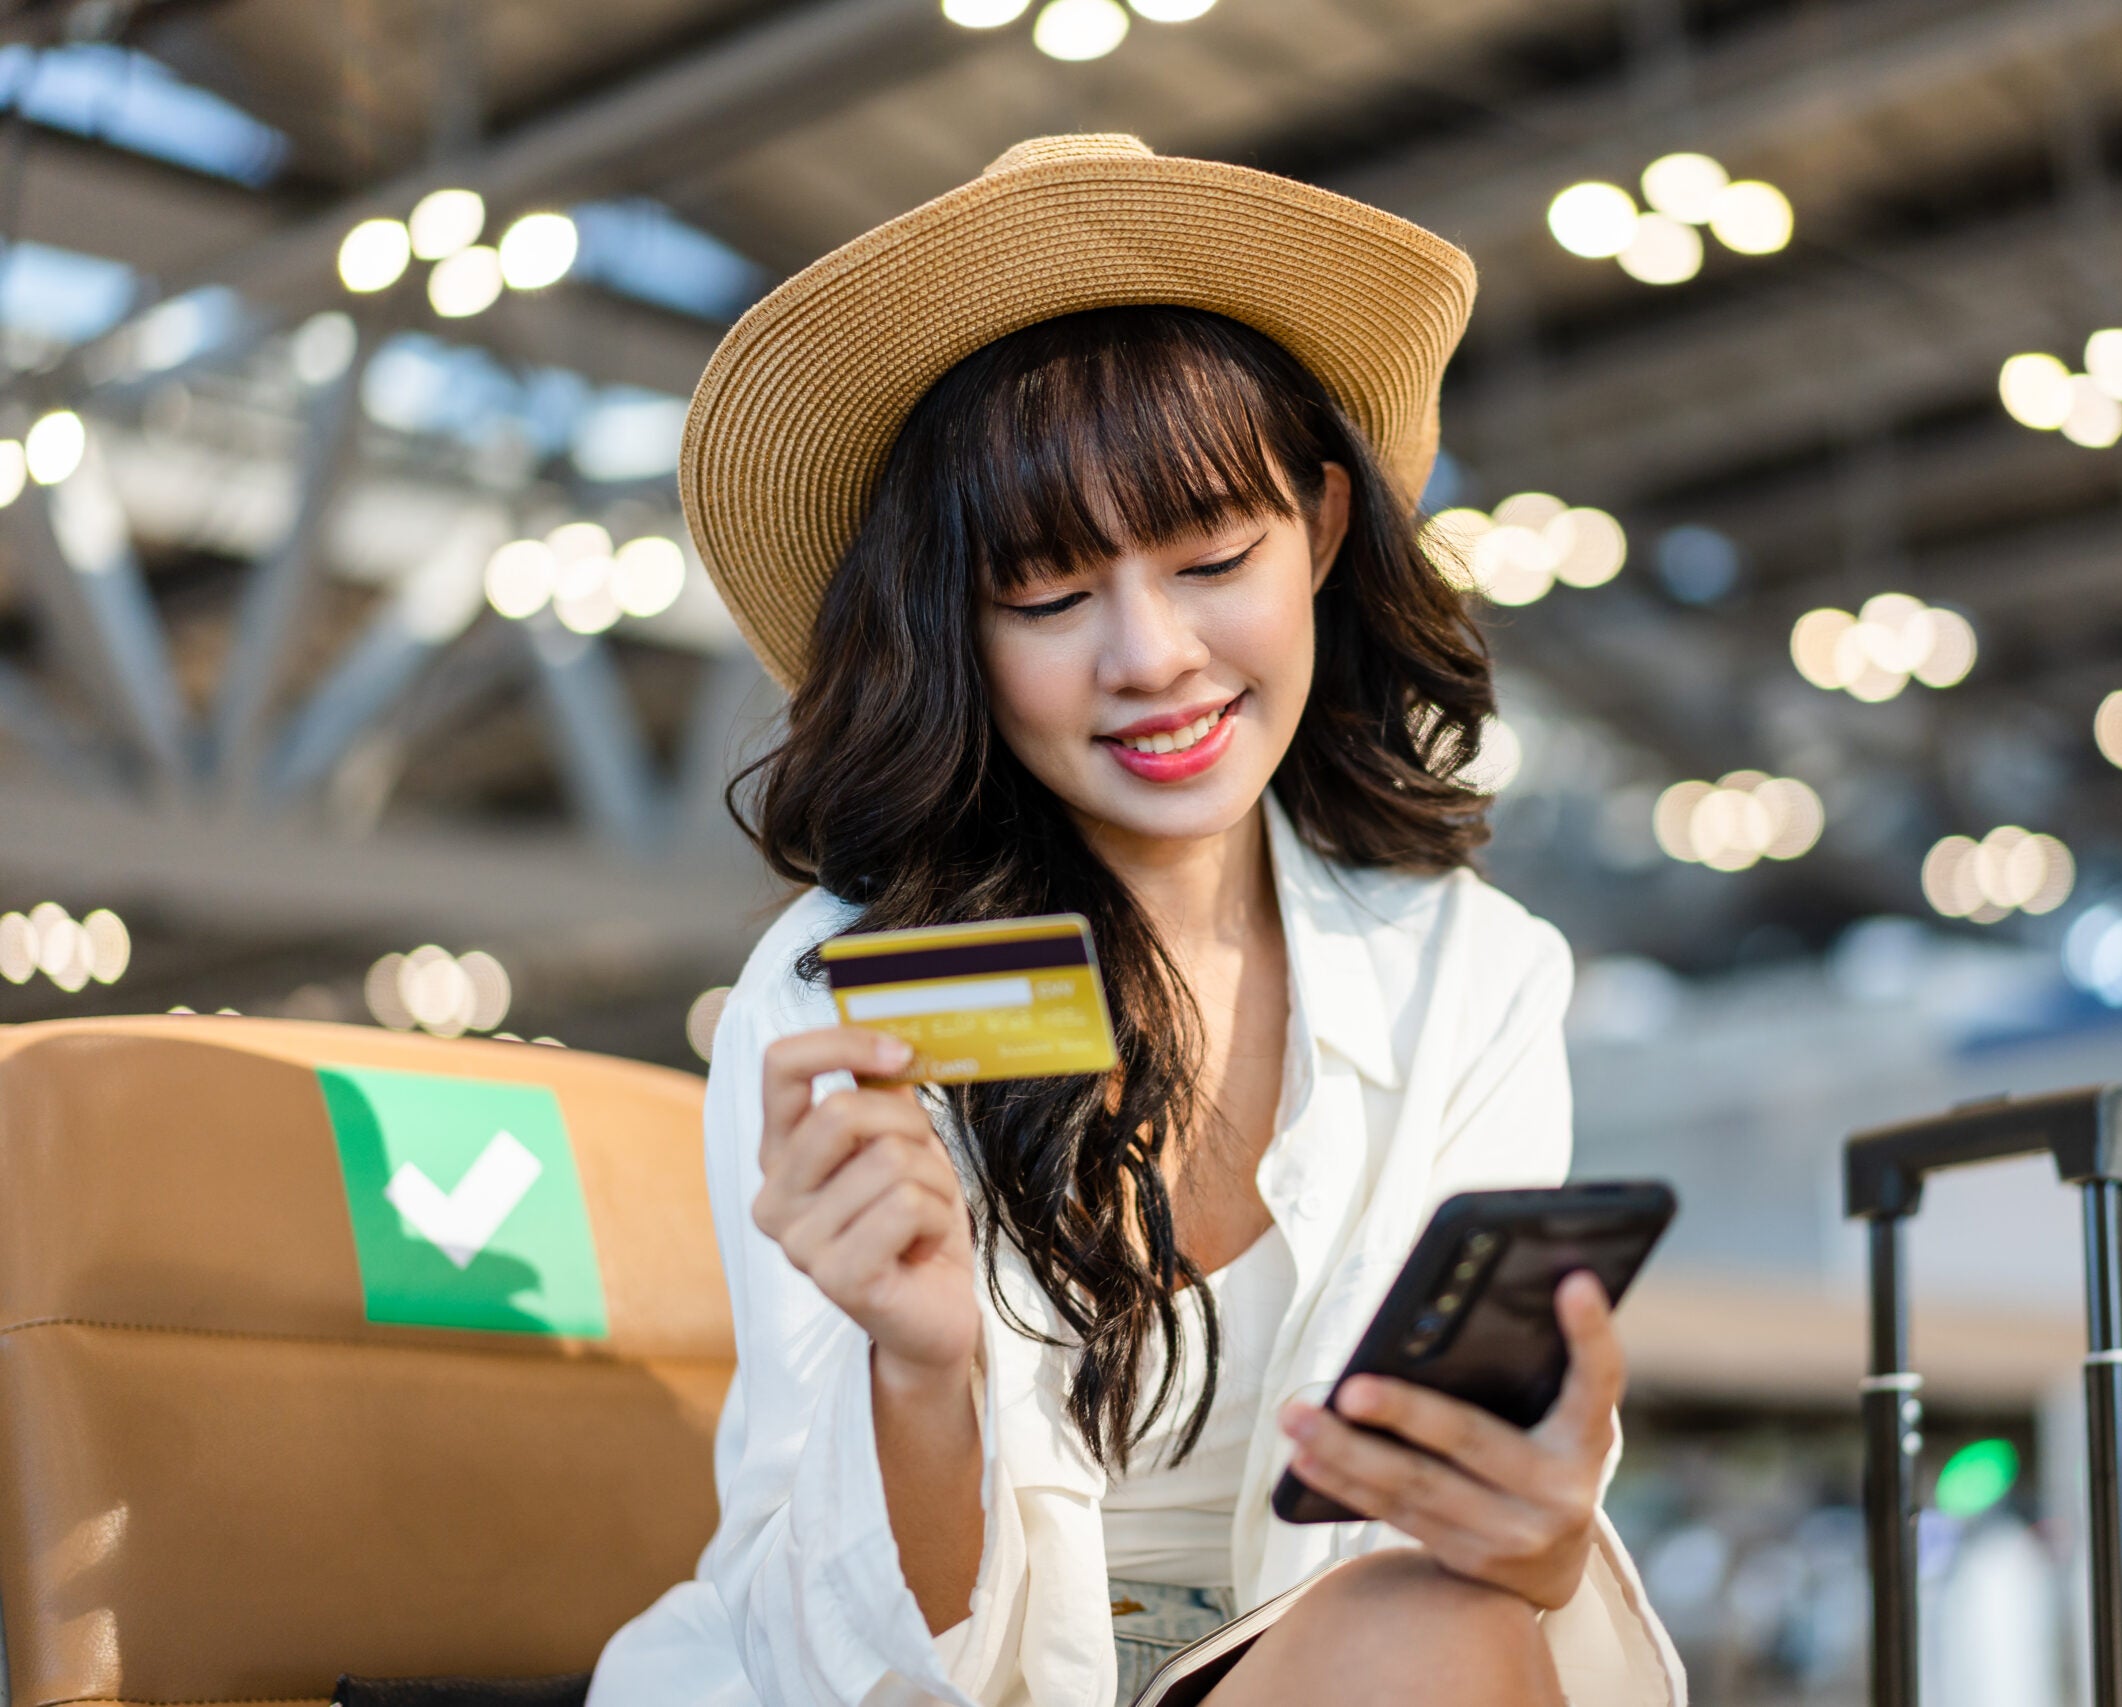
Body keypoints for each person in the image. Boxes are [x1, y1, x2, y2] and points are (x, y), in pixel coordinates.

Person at [590, 134, 1682, 1707]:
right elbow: (851, 1654)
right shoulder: (839, 992)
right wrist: (921, 1368)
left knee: (1442, 1619)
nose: (1152, 656)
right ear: (953, 628)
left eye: (1214, 557)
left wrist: (1541, 1533)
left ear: (1316, 527)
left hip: (1327, 1673)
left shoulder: (1471, 975)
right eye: (1045, 597)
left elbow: (1467, 1573)